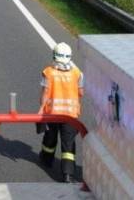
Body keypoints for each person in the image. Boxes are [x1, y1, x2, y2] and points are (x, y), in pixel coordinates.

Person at [38, 42, 83, 183]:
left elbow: (45, 92)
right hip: (70, 115)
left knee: (50, 138)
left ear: (54, 56)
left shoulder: (48, 72)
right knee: (68, 144)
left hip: (52, 113)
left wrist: (41, 108)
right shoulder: (77, 73)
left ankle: (46, 160)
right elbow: (81, 92)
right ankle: (68, 174)